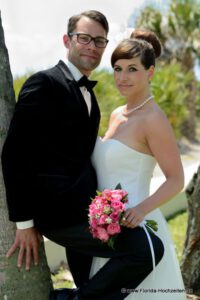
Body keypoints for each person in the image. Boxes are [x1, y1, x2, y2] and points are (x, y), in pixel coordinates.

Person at [2, 13, 165, 299]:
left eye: (99, 41)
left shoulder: (92, 99)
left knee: (91, 282)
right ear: (67, 40)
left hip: (88, 211)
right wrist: (25, 222)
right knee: (147, 250)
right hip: (59, 214)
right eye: (84, 38)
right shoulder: (44, 83)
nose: (92, 46)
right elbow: (15, 155)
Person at [89, 30, 187, 299]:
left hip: (138, 225)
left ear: (150, 72)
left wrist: (140, 210)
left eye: (132, 69)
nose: (122, 77)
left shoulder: (153, 118)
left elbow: (176, 179)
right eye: (118, 69)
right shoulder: (117, 114)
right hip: (108, 230)